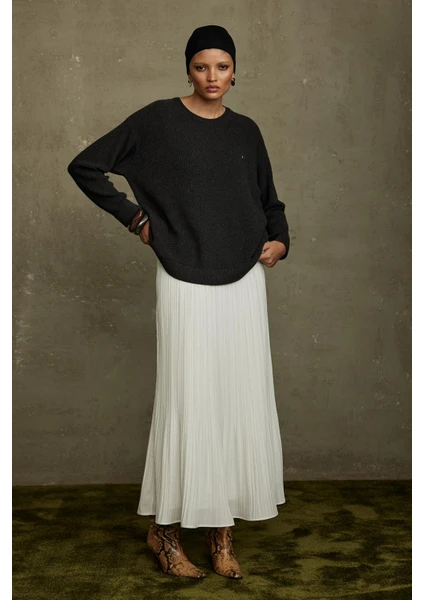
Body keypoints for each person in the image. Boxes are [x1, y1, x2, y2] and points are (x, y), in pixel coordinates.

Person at [67, 24, 290, 580]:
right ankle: (165, 533)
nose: (212, 77)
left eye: (222, 67)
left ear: (235, 71)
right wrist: (136, 219)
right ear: (188, 69)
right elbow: (85, 165)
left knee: (236, 399)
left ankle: (221, 535)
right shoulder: (159, 121)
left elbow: (269, 200)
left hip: (243, 276)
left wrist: (280, 239)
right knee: (189, 400)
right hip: (184, 273)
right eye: (201, 66)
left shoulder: (246, 130)